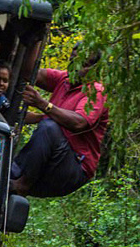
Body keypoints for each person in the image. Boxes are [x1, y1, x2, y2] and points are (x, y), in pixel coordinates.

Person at [10, 47, 109, 198]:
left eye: (83, 64)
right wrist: (36, 41)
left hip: (73, 167)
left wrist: (42, 104)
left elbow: (78, 122)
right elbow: (29, 73)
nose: (75, 68)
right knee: (5, 177)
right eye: (73, 61)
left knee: (48, 127)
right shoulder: (63, 79)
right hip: (51, 157)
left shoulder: (96, 92)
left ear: (94, 69)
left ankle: (23, 184)